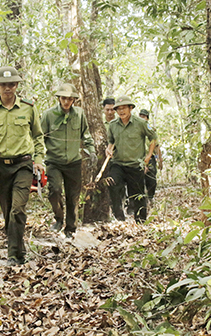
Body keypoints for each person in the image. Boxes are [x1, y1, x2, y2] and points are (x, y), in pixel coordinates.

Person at [0, 66, 45, 266]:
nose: (8, 88)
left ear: (17, 86)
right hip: (0, 167)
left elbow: (38, 137)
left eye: (12, 84)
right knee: (7, 212)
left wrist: (38, 160)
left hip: (23, 164)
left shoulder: (28, 108)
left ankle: (13, 255)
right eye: (4, 84)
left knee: (17, 209)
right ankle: (18, 248)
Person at [40, 84, 96, 238]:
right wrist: (36, 158)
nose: (66, 101)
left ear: (73, 100)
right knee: (55, 191)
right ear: (59, 98)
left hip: (73, 161)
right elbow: (39, 138)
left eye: (69, 99)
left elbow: (86, 134)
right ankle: (58, 218)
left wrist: (91, 151)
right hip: (54, 161)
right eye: (64, 98)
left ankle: (70, 228)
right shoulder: (48, 115)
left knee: (73, 196)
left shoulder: (79, 114)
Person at [106, 95, 157, 224]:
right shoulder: (112, 125)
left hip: (135, 165)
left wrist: (148, 156)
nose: (121, 111)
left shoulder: (141, 123)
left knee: (137, 195)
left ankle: (140, 222)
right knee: (112, 184)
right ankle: (119, 219)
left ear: (130, 108)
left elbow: (153, 138)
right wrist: (109, 148)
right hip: (117, 164)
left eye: (124, 108)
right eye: (118, 109)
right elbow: (111, 141)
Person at [138, 109, 163, 203]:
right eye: (140, 116)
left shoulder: (150, 130)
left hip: (150, 158)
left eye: (144, 116)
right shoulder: (134, 129)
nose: (142, 118)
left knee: (151, 180)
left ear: (147, 119)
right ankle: (139, 200)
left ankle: (150, 197)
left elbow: (156, 145)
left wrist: (160, 159)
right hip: (138, 158)